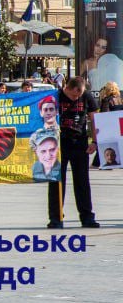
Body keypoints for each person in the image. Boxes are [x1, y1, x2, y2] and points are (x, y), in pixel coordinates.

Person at [48, 77, 100, 228]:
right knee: (57, 182)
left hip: (80, 143)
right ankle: (56, 218)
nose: (76, 98)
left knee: (82, 181)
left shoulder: (87, 96)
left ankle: (87, 217)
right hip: (59, 144)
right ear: (67, 88)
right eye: (74, 95)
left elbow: (94, 119)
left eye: (79, 96)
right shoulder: (55, 97)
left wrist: (95, 142)